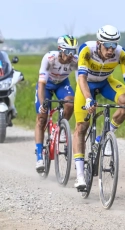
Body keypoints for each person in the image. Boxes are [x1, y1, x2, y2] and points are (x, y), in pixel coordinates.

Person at [73, 25, 125, 189]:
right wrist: (88, 99)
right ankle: (80, 175)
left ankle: (104, 136)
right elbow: (81, 78)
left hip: (105, 82)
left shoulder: (122, 54)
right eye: (107, 45)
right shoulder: (87, 50)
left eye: (114, 45)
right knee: (81, 126)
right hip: (86, 84)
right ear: (99, 43)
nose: (111, 50)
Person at [35, 35, 78, 172]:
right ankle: (39, 155)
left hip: (62, 84)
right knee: (42, 118)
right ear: (60, 49)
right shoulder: (49, 59)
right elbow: (41, 84)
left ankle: (62, 127)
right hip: (46, 85)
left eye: (74, 51)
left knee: (70, 103)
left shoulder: (75, 61)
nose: (71, 55)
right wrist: (43, 104)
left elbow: (79, 82)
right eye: (68, 51)